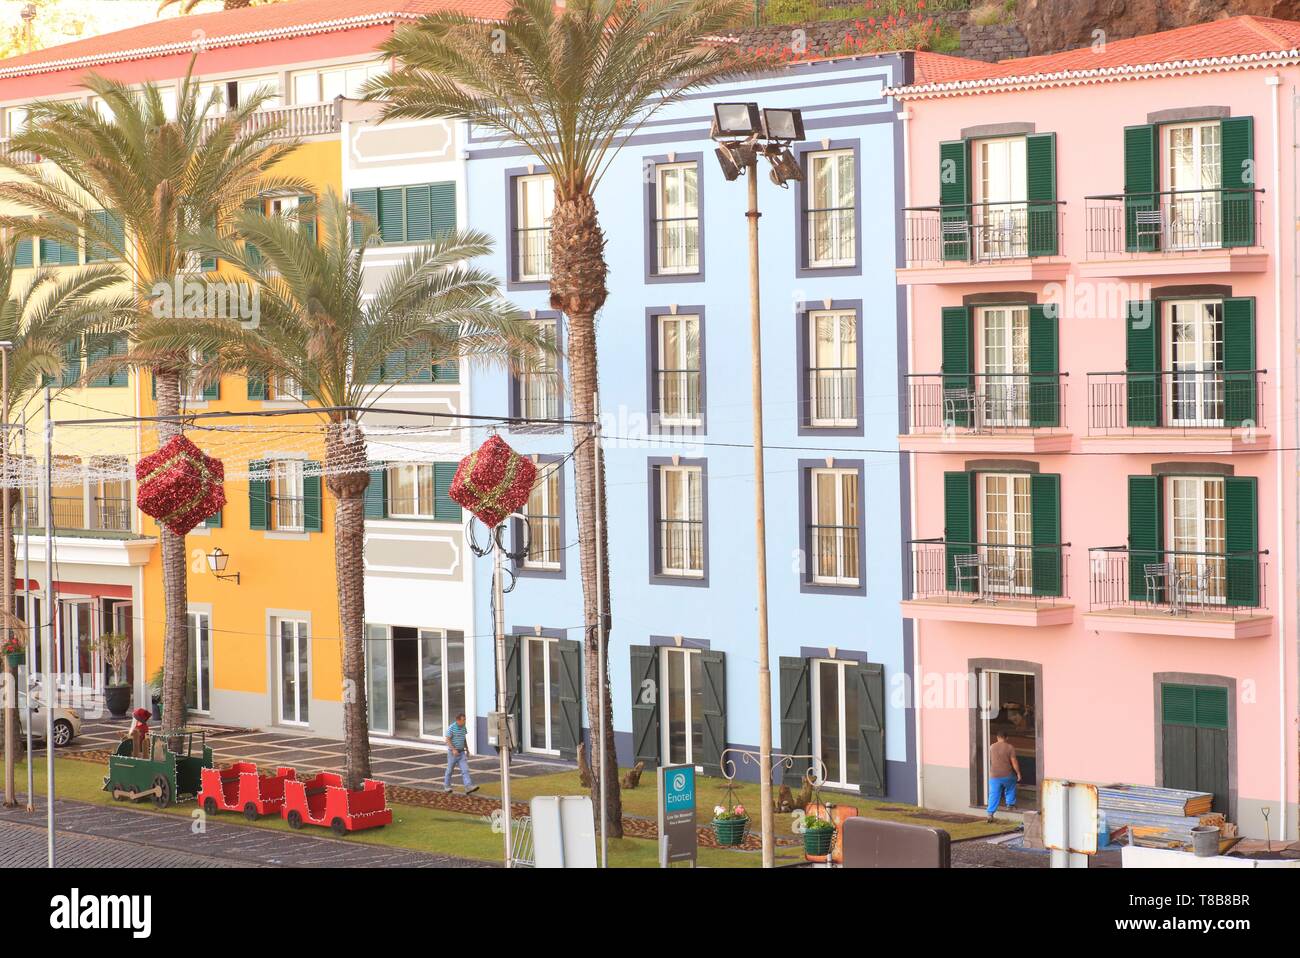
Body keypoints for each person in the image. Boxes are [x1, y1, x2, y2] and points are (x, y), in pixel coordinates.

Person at [986, 730, 1021, 822]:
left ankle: (990, 813)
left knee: (994, 793)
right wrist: (1018, 773)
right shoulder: (1010, 747)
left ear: (997, 737)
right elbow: (1014, 762)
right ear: (1006, 738)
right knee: (1011, 787)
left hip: (994, 775)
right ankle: (1010, 805)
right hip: (1007, 774)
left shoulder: (991, 747)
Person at [443, 712, 478, 794]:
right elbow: (447, 740)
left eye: (465, 720)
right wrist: (453, 749)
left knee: (465, 770)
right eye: (463, 720)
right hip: (453, 754)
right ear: (458, 720)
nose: (465, 721)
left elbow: (464, 738)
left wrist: (467, 749)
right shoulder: (451, 728)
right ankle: (447, 786)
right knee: (450, 770)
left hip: (461, 752)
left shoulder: (463, 727)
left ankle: (468, 787)